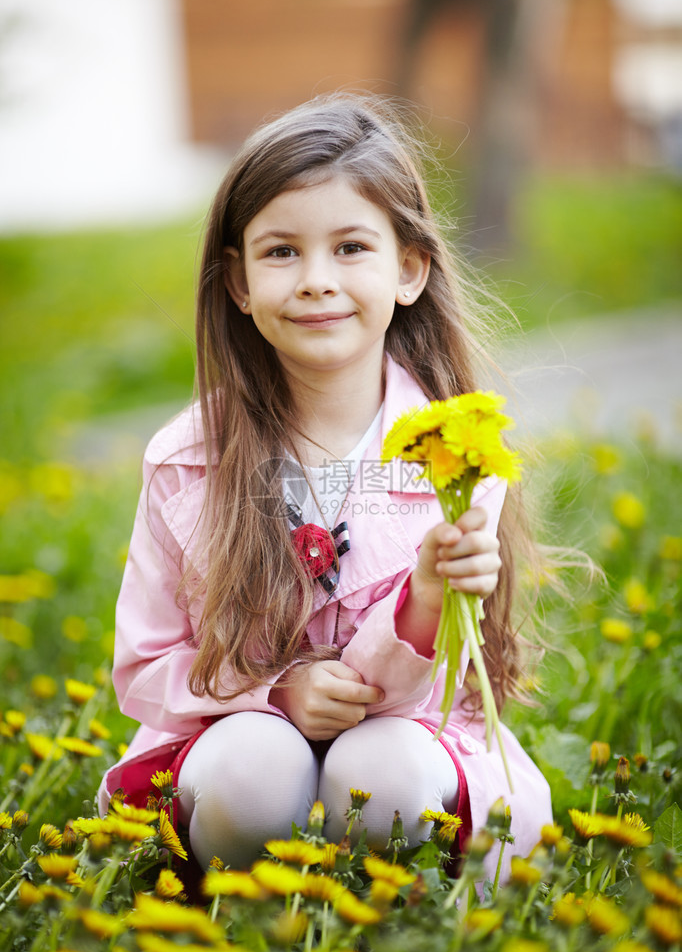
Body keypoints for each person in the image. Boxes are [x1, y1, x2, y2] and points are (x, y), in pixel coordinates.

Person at [98, 93, 551, 880]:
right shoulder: (187, 460)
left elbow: (450, 683)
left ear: (408, 269)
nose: (316, 281)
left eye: (349, 247)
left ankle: (407, 927)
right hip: (231, 738)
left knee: (384, 776)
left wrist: (429, 597)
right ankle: (244, 920)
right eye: (281, 252)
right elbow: (145, 664)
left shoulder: (458, 456)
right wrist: (276, 694)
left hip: (405, 728)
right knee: (258, 764)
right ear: (238, 282)